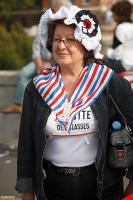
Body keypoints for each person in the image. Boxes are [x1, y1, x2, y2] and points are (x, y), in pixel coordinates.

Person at [15, 5, 133, 200]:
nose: (61, 46)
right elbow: (26, 144)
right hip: (52, 188)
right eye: (57, 39)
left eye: (70, 40)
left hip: (103, 189)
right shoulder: (36, 87)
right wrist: (27, 192)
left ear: (86, 44)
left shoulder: (109, 83)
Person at [0, 0, 72, 113]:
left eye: (54, 11)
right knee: (24, 72)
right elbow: (36, 48)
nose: (51, 13)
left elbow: (60, 50)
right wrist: (39, 65)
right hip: (41, 61)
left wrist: (51, 64)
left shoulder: (65, 27)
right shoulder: (42, 25)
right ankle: (20, 104)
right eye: (51, 10)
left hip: (57, 62)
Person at [104, 0, 133, 73]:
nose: (112, 16)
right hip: (131, 62)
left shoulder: (120, 27)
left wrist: (107, 54)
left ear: (118, 14)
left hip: (124, 64)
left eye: (113, 13)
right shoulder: (131, 26)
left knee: (97, 65)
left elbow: (118, 54)